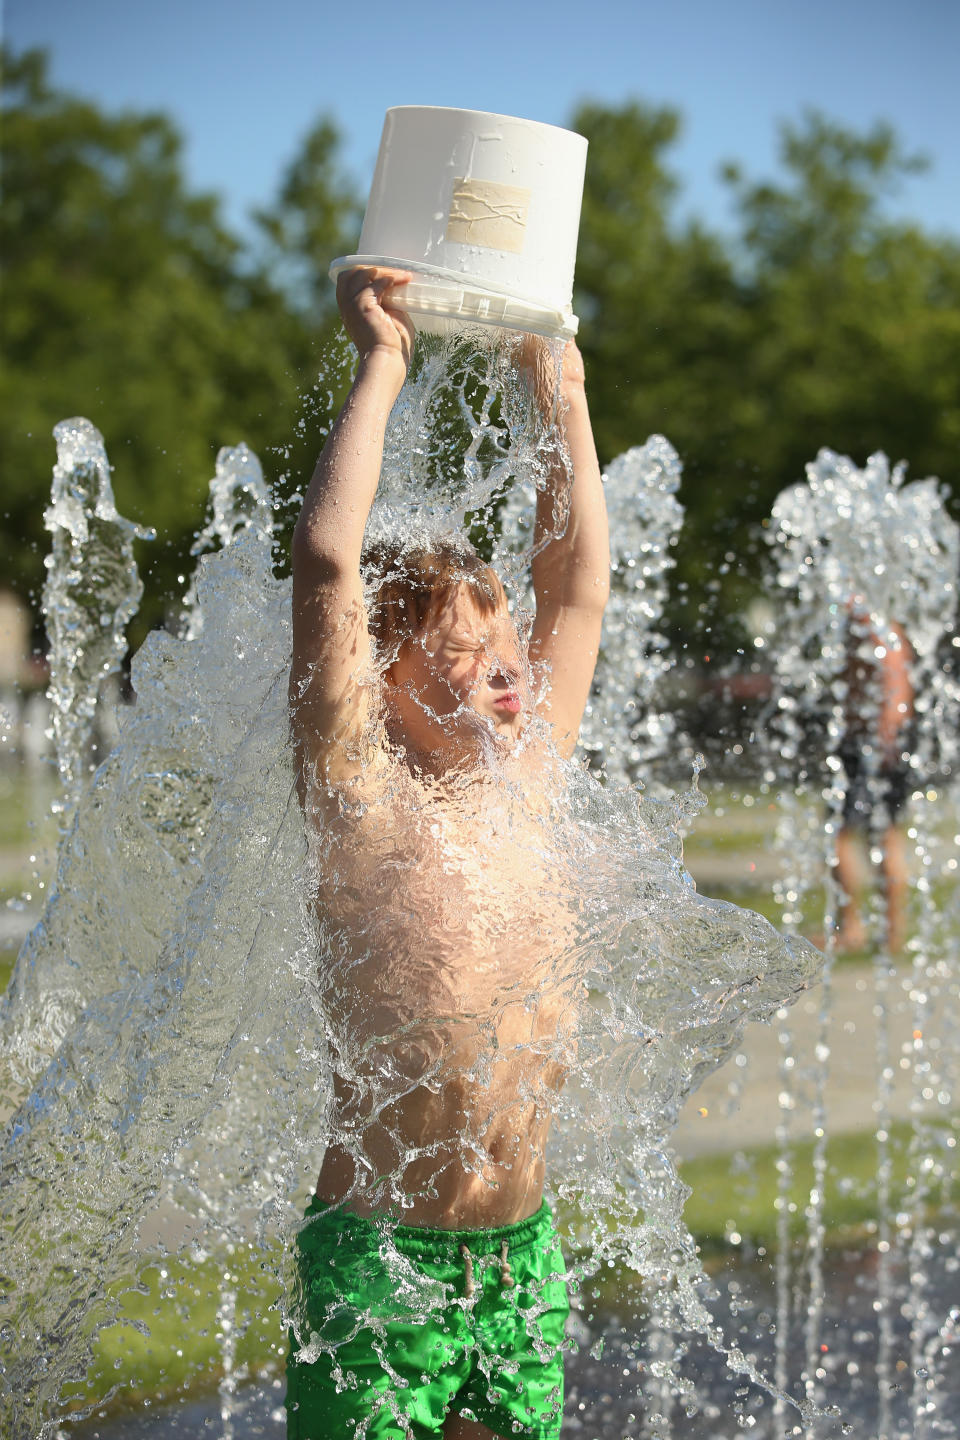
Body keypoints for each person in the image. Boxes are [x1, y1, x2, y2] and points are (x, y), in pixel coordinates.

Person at [285, 265, 609, 1439]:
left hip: (520, 1259)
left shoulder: (533, 780)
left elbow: (575, 589)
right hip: (383, 1260)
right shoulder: (359, 796)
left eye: (499, 642)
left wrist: (561, 395)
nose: (502, 669)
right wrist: (382, 367)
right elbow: (326, 569)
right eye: (459, 654)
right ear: (383, 682)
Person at [834, 609, 915, 954]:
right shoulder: (875, 626)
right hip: (877, 743)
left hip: (875, 745)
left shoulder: (875, 628)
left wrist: (884, 737)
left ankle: (857, 928)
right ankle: (888, 932)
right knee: (882, 837)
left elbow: (893, 686)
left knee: (845, 837)